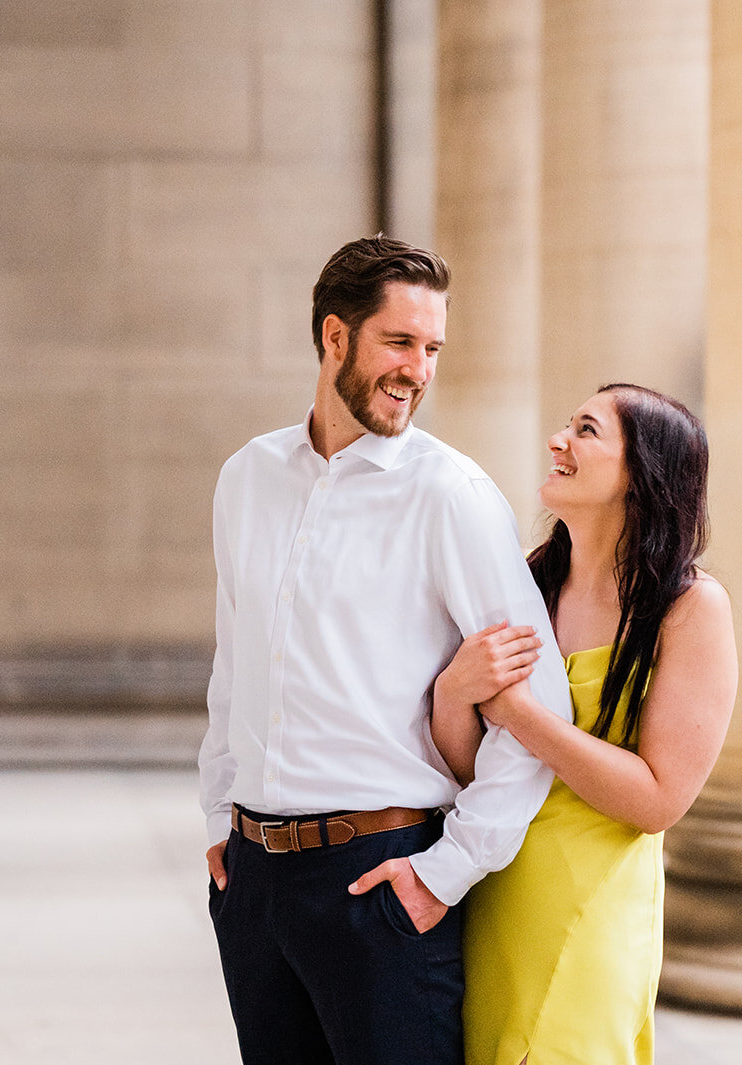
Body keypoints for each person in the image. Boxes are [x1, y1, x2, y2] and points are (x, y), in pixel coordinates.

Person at [198, 235, 574, 1065]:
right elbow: (238, 658)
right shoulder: (247, 477)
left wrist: (446, 873)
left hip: (381, 885)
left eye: (432, 347)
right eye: (399, 342)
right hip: (255, 887)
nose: (419, 369)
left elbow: (542, 704)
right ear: (335, 336)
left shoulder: (452, 495)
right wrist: (226, 807)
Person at [430, 383, 738, 1065]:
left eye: (587, 430)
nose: (558, 441)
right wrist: (455, 693)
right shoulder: (525, 582)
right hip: (491, 887)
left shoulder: (691, 610)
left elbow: (659, 799)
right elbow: (465, 767)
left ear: (642, 472)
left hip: (591, 909)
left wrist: (516, 712)